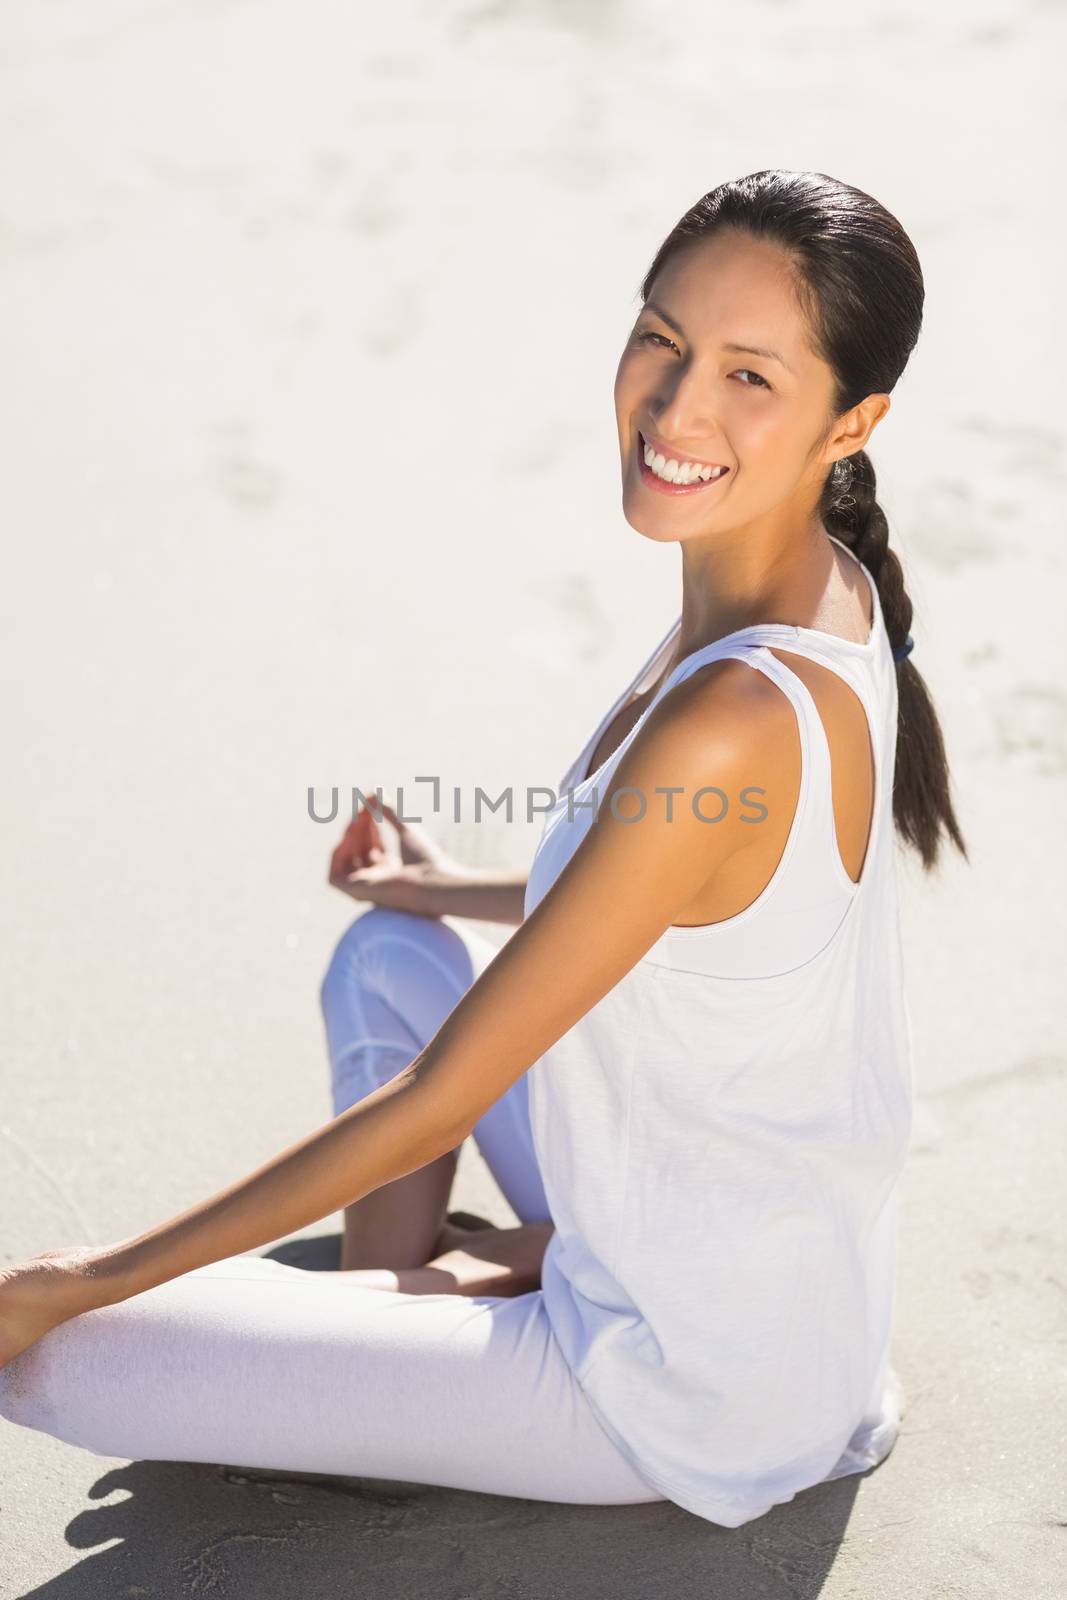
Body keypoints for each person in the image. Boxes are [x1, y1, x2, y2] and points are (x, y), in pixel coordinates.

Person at [0, 169, 967, 1528]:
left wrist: (79, 1280)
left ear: (853, 419)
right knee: (393, 947)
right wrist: (439, 882)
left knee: (55, 1360)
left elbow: (437, 1103)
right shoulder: (805, 582)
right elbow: (676, 899)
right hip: (746, 1270)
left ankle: (421, 1334)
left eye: (752, 376)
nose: (678, 407)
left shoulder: (738, 712)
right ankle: (406, 1310)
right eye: (663, 339)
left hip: (681, 1384)